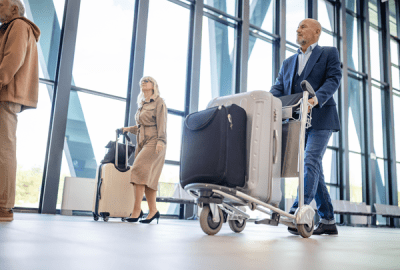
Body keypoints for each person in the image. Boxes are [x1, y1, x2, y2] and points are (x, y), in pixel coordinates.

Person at [270, 18, 341, 235]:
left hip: (321, 118)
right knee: (314, 166)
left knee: (309, 160)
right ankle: (328, 220)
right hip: (298, 122)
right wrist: (266, 103)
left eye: (303, 26)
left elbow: (333, 79)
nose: (297, 29)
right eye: (298, 26)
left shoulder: (328, 53)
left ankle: (296, 211)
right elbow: (278, 88)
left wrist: (315, 99)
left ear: (317, 32)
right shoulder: (288, 62)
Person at [0, 0, 40, 222]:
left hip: (5, 94)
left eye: (1, 4)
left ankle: (4, 207)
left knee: (4, 149)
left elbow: (13, 59)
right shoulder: (9, 27)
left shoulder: (19, 25)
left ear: (14, 8)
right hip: (5, 93)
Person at [122, 76, 167, 224]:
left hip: (155, 141)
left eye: (147, 80)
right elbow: (142, 126)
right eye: (142, 80)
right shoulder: (142, 104)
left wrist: (161, 141)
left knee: (137, 169)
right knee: (147, 178)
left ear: (153, 85)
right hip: (142, 142)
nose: (143, 82)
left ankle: (137, 210)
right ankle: (153, 211)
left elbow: (161, 124)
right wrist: (129, 129)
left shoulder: (159, 102)